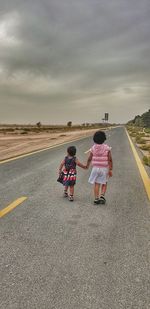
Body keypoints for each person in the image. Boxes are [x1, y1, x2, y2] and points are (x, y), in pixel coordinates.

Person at [86, 130, 113, 204]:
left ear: (94, 139)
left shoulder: (93, 148)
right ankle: (102, 196)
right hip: (104, 168)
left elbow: (89, 158)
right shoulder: (107, 148)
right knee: (104, 182)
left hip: (95, 168)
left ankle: (96, 198)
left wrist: (87, 165)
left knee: (97, 183)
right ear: (104, 139)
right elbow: (110, 159)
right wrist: (110, 169)